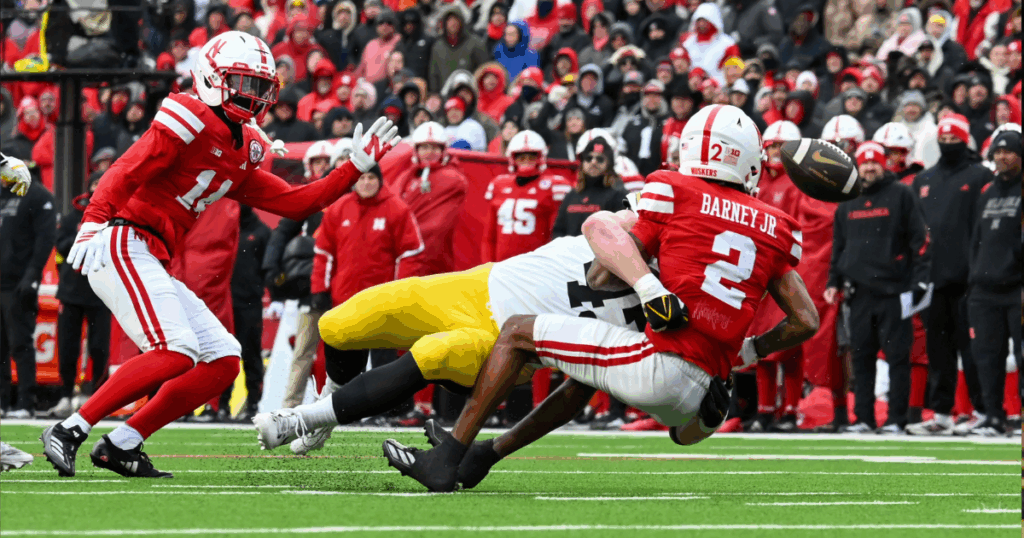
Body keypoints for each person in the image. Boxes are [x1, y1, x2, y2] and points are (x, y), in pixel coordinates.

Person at [381, 105, 817, 492]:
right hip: (705, 389)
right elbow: (805, 320)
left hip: (659, 367)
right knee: (587, 375)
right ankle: (483, 455)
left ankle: (447, 457)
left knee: (515, 332)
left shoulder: (674, 191)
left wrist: (648, 282)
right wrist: (751, 350)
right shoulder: (775, 226)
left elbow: (601, 270)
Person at [40, 32, 400, 479]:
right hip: (123, 237)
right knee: (175, 349)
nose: (252, 96)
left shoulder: (243, 147)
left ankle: (123, 442)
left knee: (223, 359)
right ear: (212, 77)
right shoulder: (189, 115)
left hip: (152, 252)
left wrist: (353, 167)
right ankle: (70, 428)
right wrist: (93, 220)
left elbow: (298, 203)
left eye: (259, 86)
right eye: (243, 83)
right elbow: (126, 169)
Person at [253, 200, 649, 455]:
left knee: (434, 354)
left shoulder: (656, 312)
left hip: (505, 344)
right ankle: (328, 404)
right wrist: (650, 284)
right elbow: (611, 225)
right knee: (340, 324)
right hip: (476, 285)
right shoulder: (619, 232)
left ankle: (305, 419)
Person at [298, 163, 423, 439]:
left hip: (382, 301)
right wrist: (319, 288)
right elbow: (324, 252)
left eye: (371, 178)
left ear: (380, 180)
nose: (366, 183)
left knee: (384, 361)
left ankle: (387, 411)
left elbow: (411, 253)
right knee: (346, 362)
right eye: (362, 178)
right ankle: (345, 411)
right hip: (345, 300)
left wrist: (401, 291)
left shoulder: (396, 209)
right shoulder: (339, 209)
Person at [826, 142, 931, 434]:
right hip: (859, 293)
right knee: (861, 358)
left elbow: (920, 240)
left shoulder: (901, 194)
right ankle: (864, 418)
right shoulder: (848, 199)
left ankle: (897, 419)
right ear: (858, 166)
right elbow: (839, 245)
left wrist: (920, 281)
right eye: (865, 163)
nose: (869, 168)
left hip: (894, 291)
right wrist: (833, 281)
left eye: (874, 162)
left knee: (898, 358)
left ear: (883, 164)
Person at [907, 114, 994, 436]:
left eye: (953, 139)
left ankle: (983, 410)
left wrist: (980, 269)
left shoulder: (981, 174)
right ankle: (942, 413)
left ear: (965, 140)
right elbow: (917, 233)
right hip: (935, 278)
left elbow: (985, 228)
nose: (947, 144)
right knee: (939, 352)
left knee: (973, 350)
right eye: (943, 140)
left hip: (970, 278)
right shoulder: (924, 179)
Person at [740, 120, 805, 433]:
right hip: (759, 268)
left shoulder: (799, 182)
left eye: (782, 146)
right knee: (760, 342)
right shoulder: (757, 181)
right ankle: (765, 410)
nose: (776, 151)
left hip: (786, 268)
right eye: (772, 146)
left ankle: (791, 410)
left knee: (791, 343)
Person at [963, 130, 1021, 436]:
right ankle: (993, 416)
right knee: (986, 357)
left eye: (1009, 151)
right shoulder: (987, 192)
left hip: (1017, 287)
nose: (1002, 156)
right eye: (998, 152)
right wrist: (974, 277)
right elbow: (977, 239)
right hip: (985, 288)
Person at [269, 141, 334, 410]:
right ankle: (290, 407)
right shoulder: (308, 198)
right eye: (318, 162)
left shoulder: (353, 200)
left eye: (327, 163)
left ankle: (341, 406)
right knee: (303, 349)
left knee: (339, 353)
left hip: (343, 285)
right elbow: (282, 233)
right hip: (311, 285)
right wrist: (275, 278)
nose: (323, 167)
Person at [51, 172, 112, 419]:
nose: (98, 188)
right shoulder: (73, 216)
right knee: (67, 347)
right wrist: (84, 241)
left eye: (102, 183)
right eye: (95, 183)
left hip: (101, 292)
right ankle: (65, 395)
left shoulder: (115, 216)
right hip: (71, 290)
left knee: (99, 347)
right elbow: (60, 245)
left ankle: (99, 397)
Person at [0, 151, 49, 418]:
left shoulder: (37, 196)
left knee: (20, 343)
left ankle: (26, 403)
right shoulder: (3, 194)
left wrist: (31, 276)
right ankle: (2, 402)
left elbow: (44, 240)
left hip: (18, 283)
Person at [391, 122, 469, 280]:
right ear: (416, 150)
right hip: (408, 252)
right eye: (424, 147)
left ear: (443, 150)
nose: (429, 152)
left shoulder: (453, 178)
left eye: (434, 148)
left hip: (437, 255)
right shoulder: (405, 178)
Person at [482, 130, 571, 263]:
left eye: (531, 157)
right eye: (521, 157)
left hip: (535, 264)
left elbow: (555, 236)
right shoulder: (499, 184)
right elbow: (489, 236)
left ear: (541, 157)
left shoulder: (553, 186)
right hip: (502, 264)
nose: (526, 161)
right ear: (512, 158)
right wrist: (488, 264)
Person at [221, 205, 271, 421]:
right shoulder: (223, 229)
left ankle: (253, 404)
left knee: (251, 354)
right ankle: (221, 406)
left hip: (249, 303)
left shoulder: (261, 232)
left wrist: (265, 292)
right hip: (224, 303)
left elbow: (268, 267)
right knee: (223, 356)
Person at [552, 129, 629, 240]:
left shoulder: (619, 195)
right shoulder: (572, 195)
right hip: (570, 250)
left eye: (600, 159)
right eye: (588, 158)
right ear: (582, 163)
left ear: (609, 164)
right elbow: (558, 230)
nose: (593, 162)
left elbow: (623, 235)